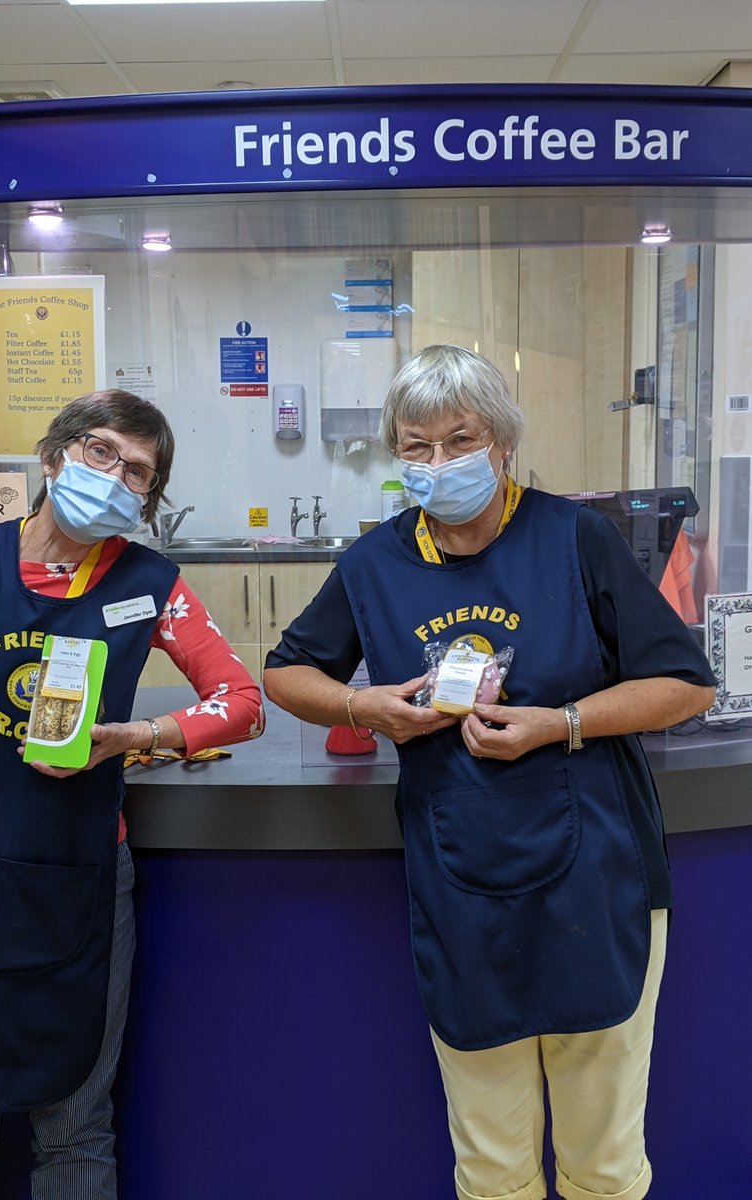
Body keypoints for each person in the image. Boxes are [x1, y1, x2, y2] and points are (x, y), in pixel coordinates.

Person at [263, 345, 715, 1200]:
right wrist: (365, 707)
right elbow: (286, 673)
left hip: (597, 875)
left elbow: (686, 686)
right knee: (491, 1167)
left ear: (503, 442)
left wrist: (560, 723)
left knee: (604, 1165)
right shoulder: (375, 563)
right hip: (461, 879)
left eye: (460, 439)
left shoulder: (574, 538)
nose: (438, 462)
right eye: (417, 446)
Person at [0, 388, 264, 1199]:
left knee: (76, 1129)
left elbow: (242, 704)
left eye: (138, 471)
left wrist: (136, 737)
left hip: (75, 886)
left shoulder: (149, 584)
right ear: (54, 456)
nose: (115, 476)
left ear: (146, 498)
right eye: (101, 451)